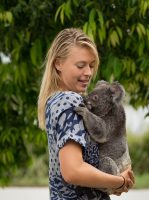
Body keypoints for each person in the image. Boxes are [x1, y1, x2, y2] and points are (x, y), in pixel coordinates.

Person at [37, 28, 134, 200]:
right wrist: (118, 182)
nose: (89, 72)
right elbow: (73, 171)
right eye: (81, 65)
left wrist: (113, 179)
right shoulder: (70, 101)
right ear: (58, 64)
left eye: (91, 65)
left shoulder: (54, 101)